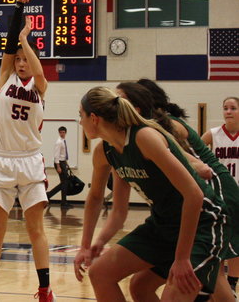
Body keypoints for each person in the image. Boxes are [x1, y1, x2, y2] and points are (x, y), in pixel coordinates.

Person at [73, 87, 229, 302]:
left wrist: (182, 258)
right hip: (163, 225)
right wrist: (88, 245)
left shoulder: (144, 138)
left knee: (174, 294)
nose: (79, 122)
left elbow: (194, 194)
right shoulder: (105, 152)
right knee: (103, 274)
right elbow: (104, 203)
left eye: (80, 115)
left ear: (94, 118)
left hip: (203, 223)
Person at [116, 81, 238, 300]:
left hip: (219, 194)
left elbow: (197, 167)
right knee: (212, 272)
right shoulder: (146, 131)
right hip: (205, 196)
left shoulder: (166, 127)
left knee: (212, 269)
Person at [0, 0, 54, 302]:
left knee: (35, 229)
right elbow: (9, 46)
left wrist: (27, 41)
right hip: (5, 160)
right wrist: (19, 8)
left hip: (30, 161)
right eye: (19, 59)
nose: (22, 62)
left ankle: (45, 289)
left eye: (26, 59)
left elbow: (38, 70)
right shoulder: (4, 79)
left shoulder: (40, 86)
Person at [201, 95, 239, 295]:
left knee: (237, 242)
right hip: (219, 195)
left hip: (238, 195)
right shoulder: (213, 134)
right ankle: (219, 280)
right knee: (220, 240)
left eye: (233, 108)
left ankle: (232, 283)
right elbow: (193, 153)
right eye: (225, 108)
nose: (228, 112)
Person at [46, 126, 71, 208]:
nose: (62, 134)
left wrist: (66, 164)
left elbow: (63, 154)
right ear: (59, 133)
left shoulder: (63, 141)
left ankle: (49, 195)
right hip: (59, 163)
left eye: (63, 132)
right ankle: (63, 203)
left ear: (65, 133)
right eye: (61, 132)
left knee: (64, 183)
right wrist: (58, 166)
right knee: (64, 183)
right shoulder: (59, 142)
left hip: (63, 162)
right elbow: (56, 155)